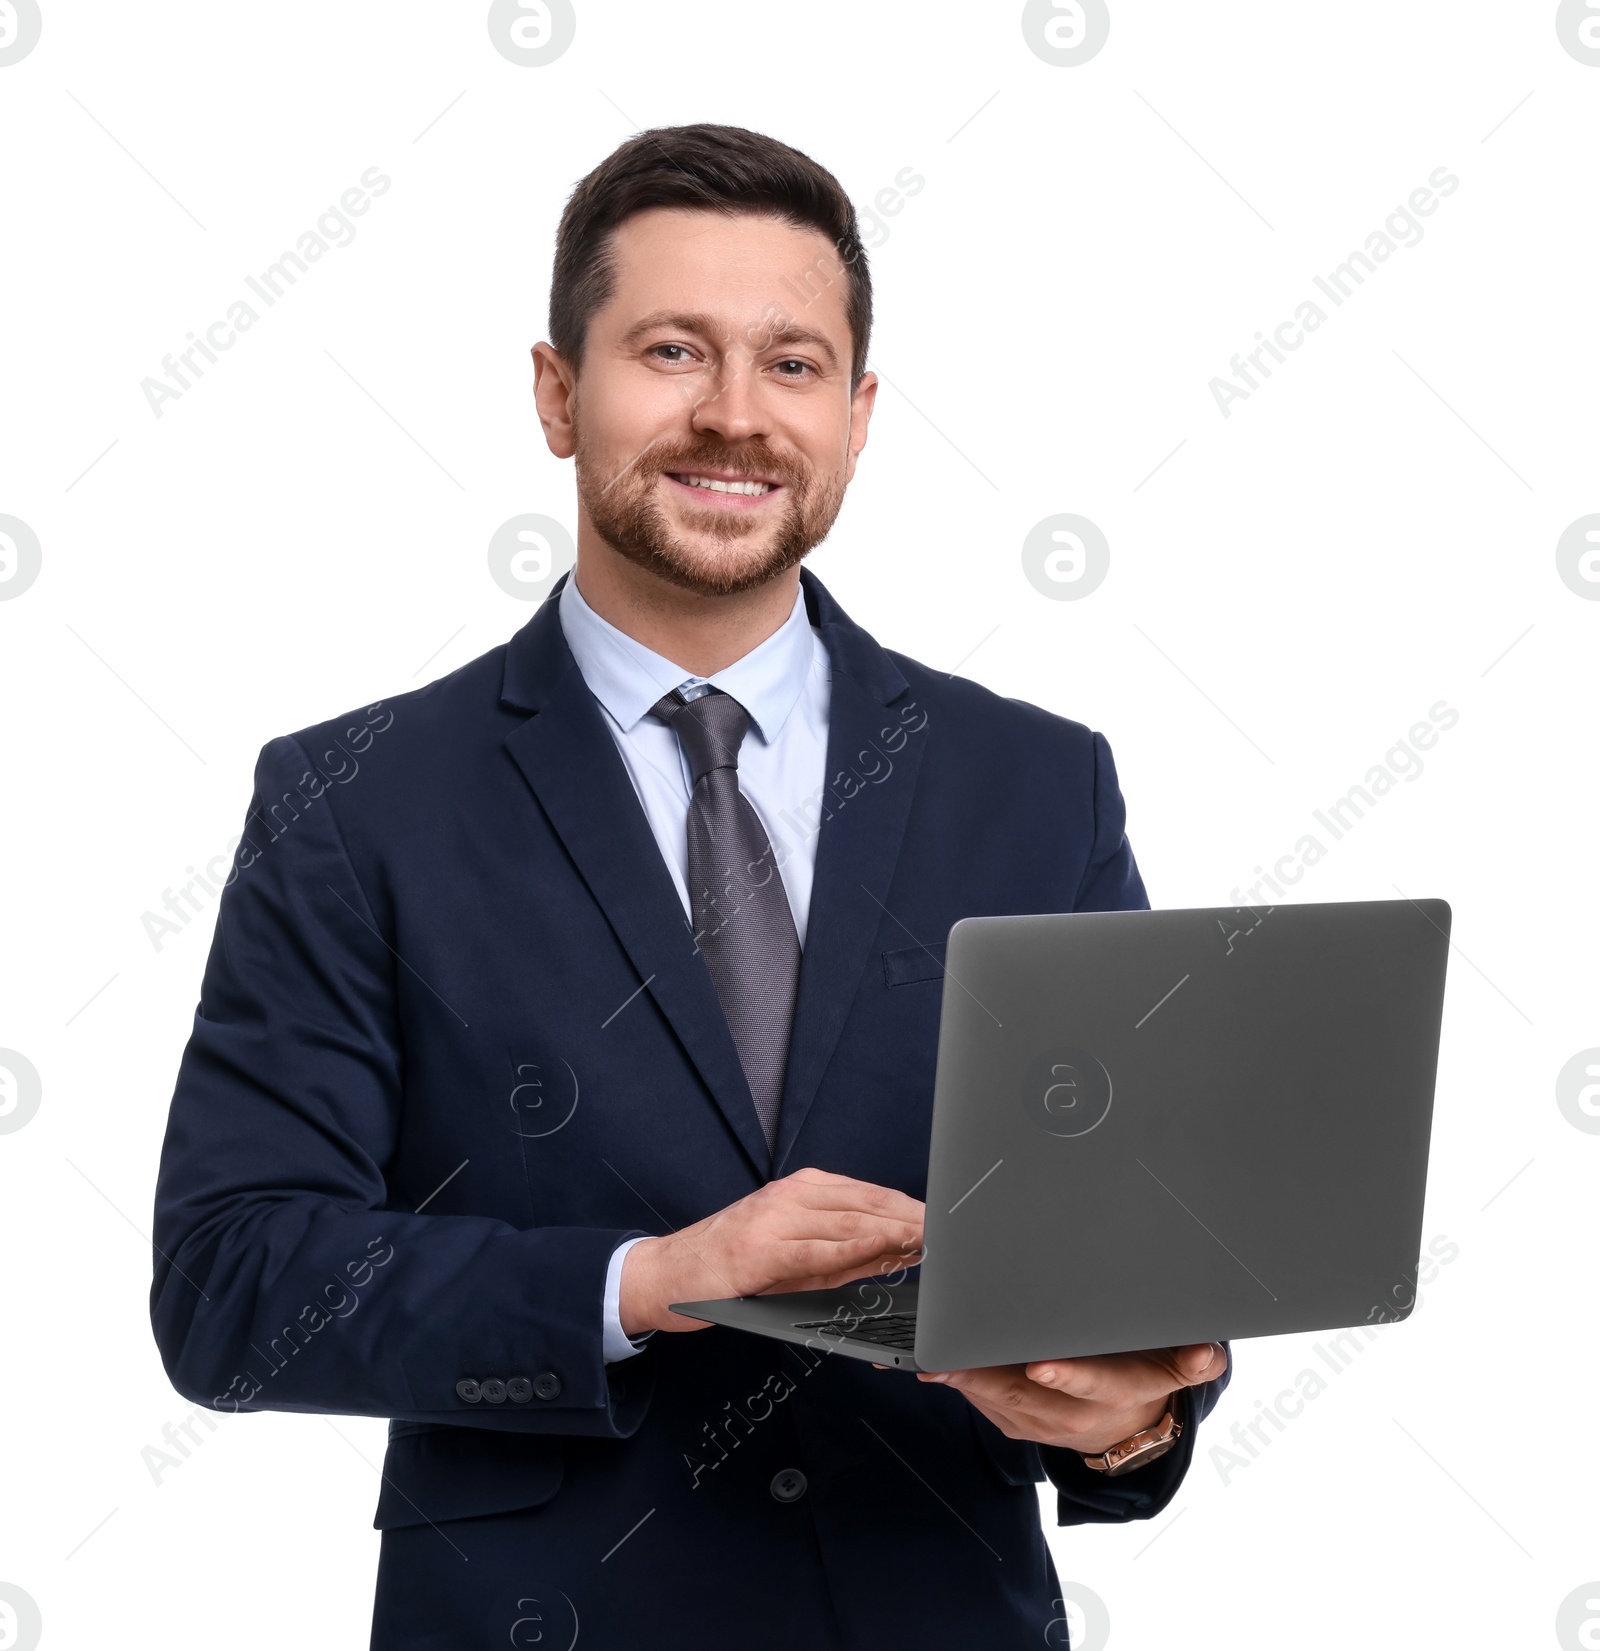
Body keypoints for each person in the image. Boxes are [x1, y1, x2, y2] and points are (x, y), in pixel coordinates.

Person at [150, 123, 1230, 1650]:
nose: (735, 416)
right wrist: (650, 1281)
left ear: (856, 418)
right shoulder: (356, 802)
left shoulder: (1035, 785)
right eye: (671, 350)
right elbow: (234, 1282)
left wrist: (1129, 1421)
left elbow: (1126, 1246)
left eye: (792, 366)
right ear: (555, 392)